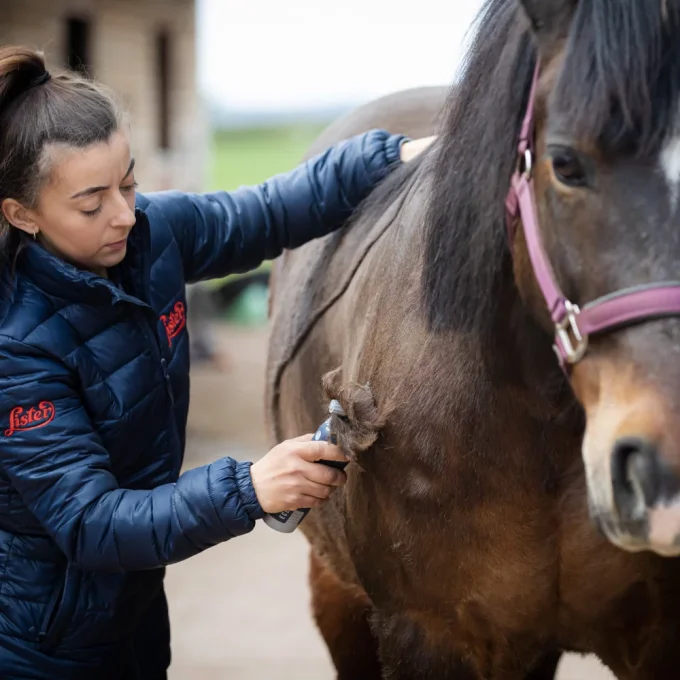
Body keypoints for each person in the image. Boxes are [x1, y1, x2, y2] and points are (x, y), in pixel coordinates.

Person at [0, 46, 433, 679]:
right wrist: (248, 489)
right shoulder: (16, 353)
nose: (123, 214)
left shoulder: (150, 236)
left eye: (128, 182)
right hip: (42, 647)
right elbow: (92, 523)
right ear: (21, 213)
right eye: (91, 203)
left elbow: (269, 210)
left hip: (137, 613)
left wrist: (394, 157)